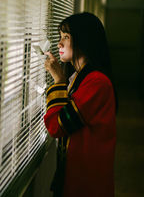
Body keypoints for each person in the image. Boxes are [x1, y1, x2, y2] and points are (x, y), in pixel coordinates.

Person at [44, 12, 117, 197]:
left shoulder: (96, 83)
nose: (59, 43)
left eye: (66, 37)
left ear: (84, 40)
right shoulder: (78, 78)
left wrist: (59, 80)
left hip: (87, 182)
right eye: (60, 37)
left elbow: (57, 126)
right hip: (78, 177)